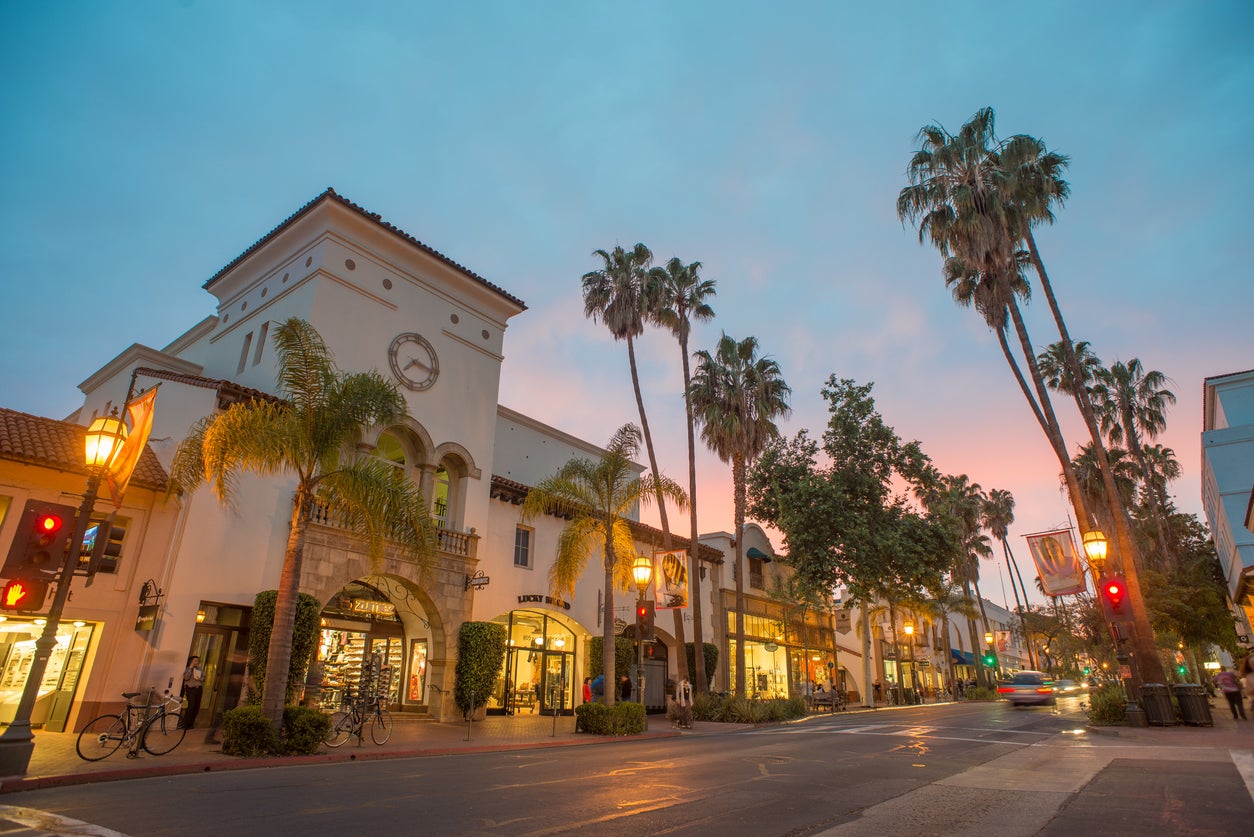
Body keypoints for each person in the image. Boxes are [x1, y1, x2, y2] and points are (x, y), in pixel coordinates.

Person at [181, 655, 205, 729]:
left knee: (196, 707)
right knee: (191, 707)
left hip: (199, 689)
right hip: (191, 689)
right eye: (195, 661)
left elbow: (204, 678)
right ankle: (185, 724)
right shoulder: (188, 669)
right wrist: (190, 669)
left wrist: (200, 679)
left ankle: (191, 724)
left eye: (197, 661)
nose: (197, 662)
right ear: (191, 661)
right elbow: (186, 677)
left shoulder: (200, 669)